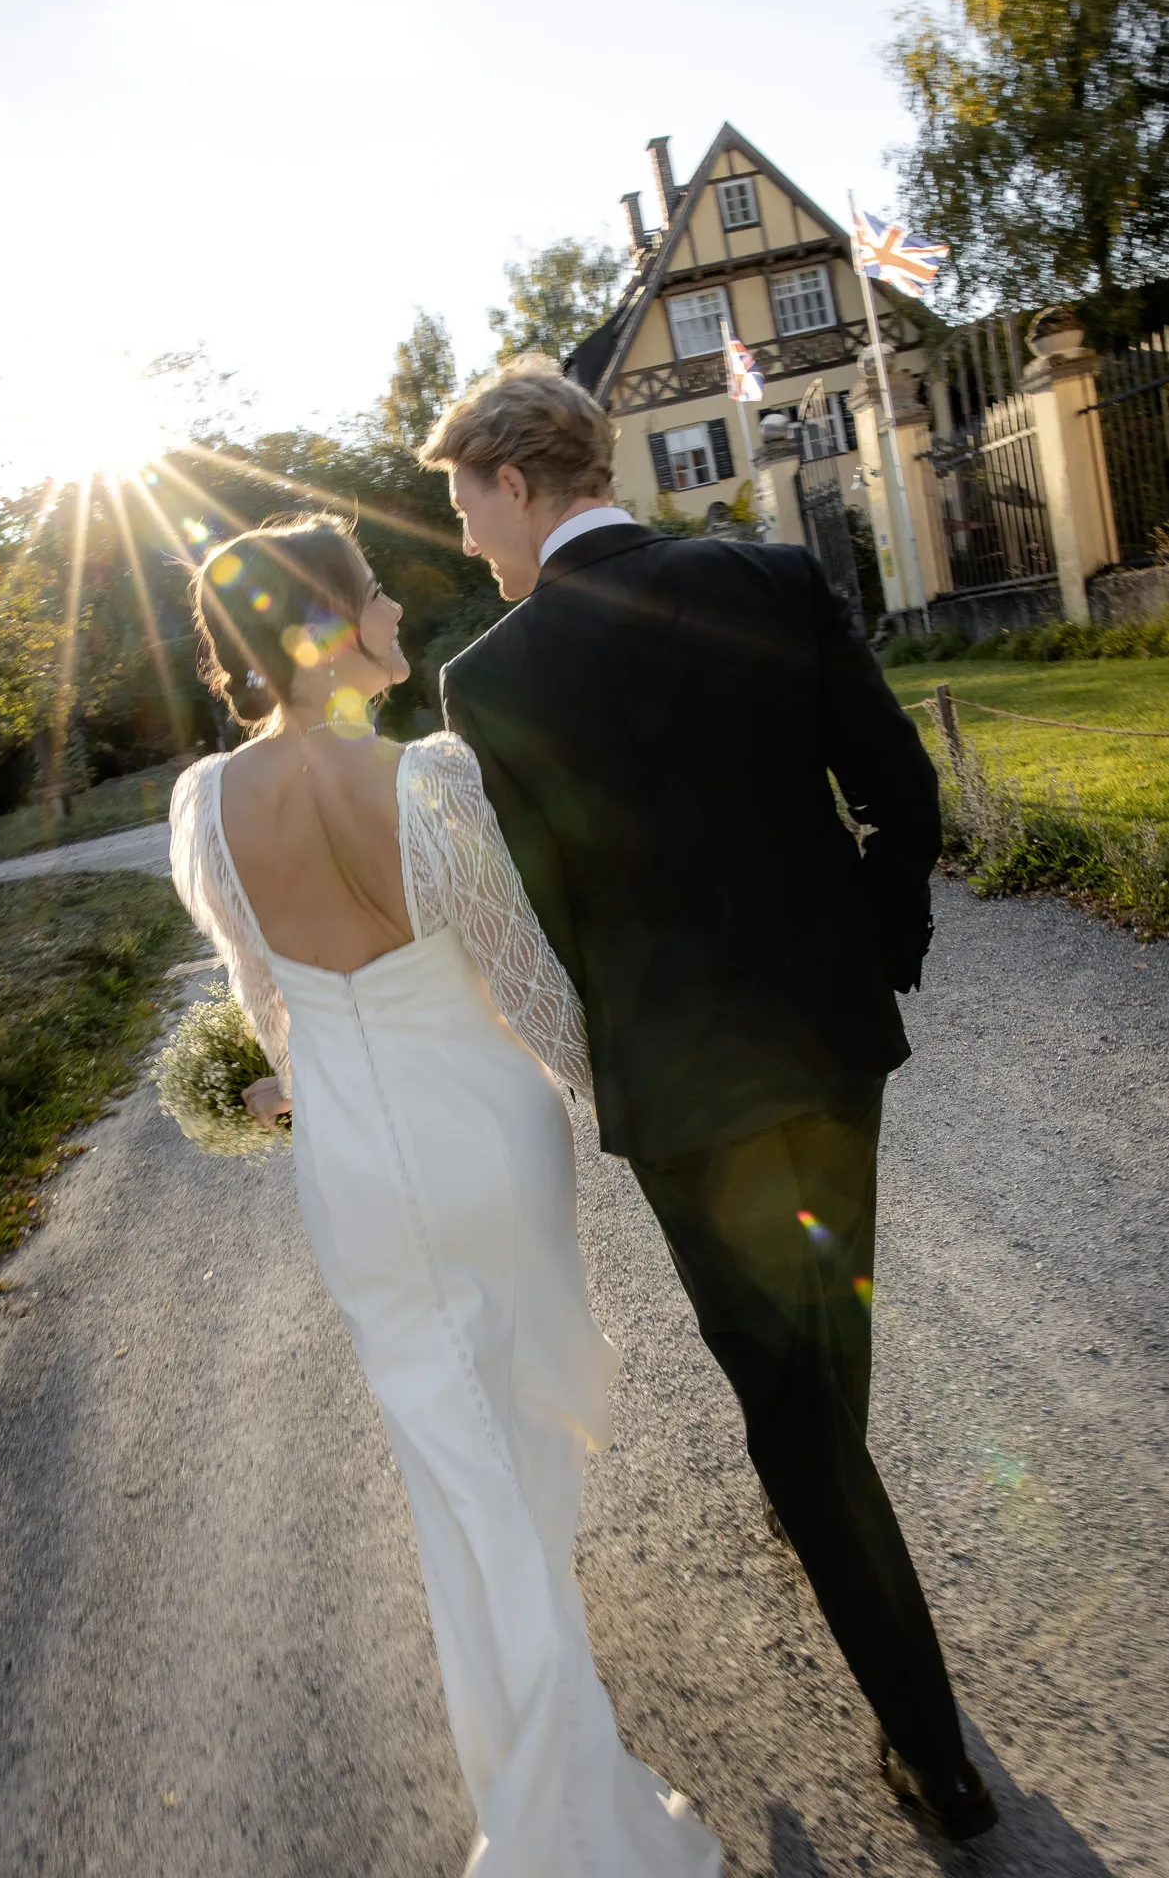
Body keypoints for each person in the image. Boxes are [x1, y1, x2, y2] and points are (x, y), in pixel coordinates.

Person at [420, 358, 998, 1844]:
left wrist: (600, 1045)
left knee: (790, 1407)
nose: (467, 534)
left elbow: (547, 911)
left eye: (465, 503)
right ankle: (831, 1514)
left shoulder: (491, 680)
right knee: (831, 1314)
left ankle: (934, 1756)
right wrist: (882, 944)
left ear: (513, 482)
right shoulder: (768, 577)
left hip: (681, 1085)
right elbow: (897, 789)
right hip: (831, 1038)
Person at [168, 517, 722, 1878]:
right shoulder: (430, 776)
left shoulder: (205, 808)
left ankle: (543, 1789)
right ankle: (565, 1812)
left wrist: (291, 1087)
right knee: (520, 1456)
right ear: (326, 628)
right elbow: (525, 977)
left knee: (457, 1484)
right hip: (487, 1138)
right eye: (372, 593)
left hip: (357, 1169)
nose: (396, 608)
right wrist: (633, 1115)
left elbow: (268, 1003)